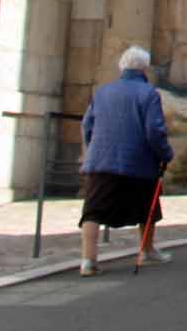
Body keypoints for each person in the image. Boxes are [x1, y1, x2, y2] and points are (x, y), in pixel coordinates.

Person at [78, 45, 174, 276]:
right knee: (147, 208)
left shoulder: (102, 92)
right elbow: (154, 130)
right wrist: (165, 154)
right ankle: (147, 251)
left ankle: (88, 261)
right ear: (144, 69)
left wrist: (94, 148)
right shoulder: (149, 94)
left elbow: (87, 126)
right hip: (138, 162)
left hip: (102, 160)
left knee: (93, 210)